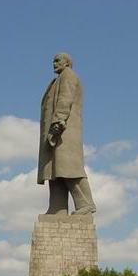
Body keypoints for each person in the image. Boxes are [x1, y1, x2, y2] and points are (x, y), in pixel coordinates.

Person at [37, 53, 96, 215]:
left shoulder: (68, 76)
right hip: (55, 132)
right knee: (55, 171)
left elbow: (65, 98)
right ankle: (58, 208)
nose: (54, 64)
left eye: (57, 61)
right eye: (53, 61)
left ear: (67, 63)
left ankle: (86, 204)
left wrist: (58, 121)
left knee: (69, 168)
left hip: (64, 131)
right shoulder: (58, 79)